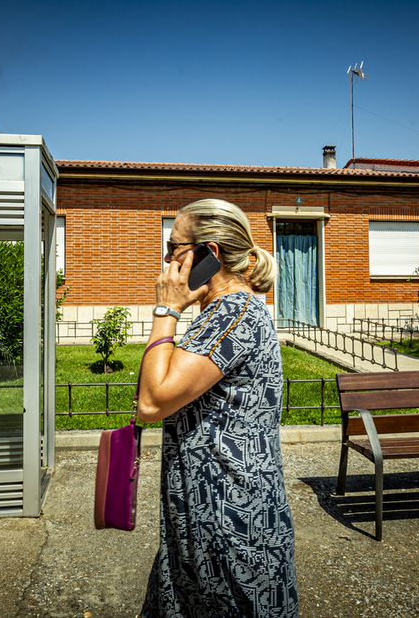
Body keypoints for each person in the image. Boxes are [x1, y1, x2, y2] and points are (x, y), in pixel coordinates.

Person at [137, 199, 298, 618]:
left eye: (174, 248)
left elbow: (152, 402)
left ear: (209, 254)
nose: (167, 261)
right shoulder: (224, 312)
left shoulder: (234, 314)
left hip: (231, 524)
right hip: (209, 514)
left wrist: (166, 309)